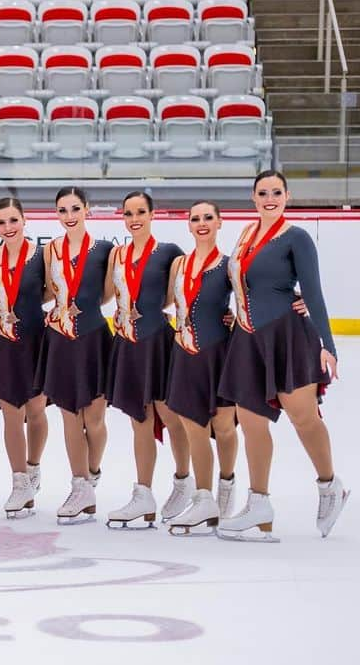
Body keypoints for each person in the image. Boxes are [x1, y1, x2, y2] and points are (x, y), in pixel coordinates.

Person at [217, 170, 348, 541]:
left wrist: (329, 344)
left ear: (287, 196)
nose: (270, 198)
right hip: (246, 338)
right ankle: (259, 502)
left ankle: (329, 486)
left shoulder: (297, 237)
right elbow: (240, 283)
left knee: (302, 417)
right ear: (253, 198)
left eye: (277, 192)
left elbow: (314, 293)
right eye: (263, 192)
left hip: (286, 336)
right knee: (251, 420)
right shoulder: (245, 236)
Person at [102, 192, 191, 530]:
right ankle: (144, 494)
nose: (134, 218)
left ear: (152, 214)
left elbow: (184, 290)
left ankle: (183, 481)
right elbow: (109, 294)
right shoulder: (117, 255)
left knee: (171, 415)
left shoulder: (168, 252)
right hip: (128, 344)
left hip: (158, 341)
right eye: (128, 213)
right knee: (139, 419)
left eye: (140, 212)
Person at [35, 186, 114, 525]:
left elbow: (109, 293)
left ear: (87, 209)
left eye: (74, 209)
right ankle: (79, 484)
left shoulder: (104, 249)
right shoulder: (49, 250)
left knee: (94, 419)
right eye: (62, 210)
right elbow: (44, 291)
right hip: (61, 338)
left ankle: (92, 472)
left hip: (93, 336)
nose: (68, 216)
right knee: (69, 417)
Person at [163, 200, 239, 535]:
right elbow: (166, 300)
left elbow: (250, 301)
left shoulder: (229, 265)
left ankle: (226, 484)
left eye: (209, 217)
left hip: (219, 352)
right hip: (184, 353)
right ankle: (204, 498)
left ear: (220, 222)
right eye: (196, 218)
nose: (202, 223)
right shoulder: (179, 264)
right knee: (193, 426)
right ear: (189, 225)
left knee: (223, 427)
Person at [0, 197, 50, 518]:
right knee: (11, 413)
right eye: (1, 222)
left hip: (34, 337)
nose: (7, 228)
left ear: (25, 220)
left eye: (13, 220)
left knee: (36, 409)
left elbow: (53, 289)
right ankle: (19, 481)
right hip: (3, 340)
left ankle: (33, 467)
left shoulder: (41, 255)